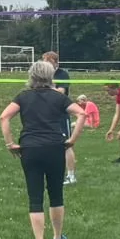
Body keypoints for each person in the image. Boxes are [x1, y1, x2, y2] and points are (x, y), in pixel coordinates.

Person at [0, 60, 87, 239]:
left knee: (35, 196)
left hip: (30, 149)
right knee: (56, 194)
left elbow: (4, 117)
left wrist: (10, 143)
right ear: (50, 77)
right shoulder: (58, 97)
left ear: (31, 76)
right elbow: (82, 114)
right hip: (55, 148)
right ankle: (57, 238)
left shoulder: (23, 97)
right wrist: (72, 139)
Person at [45, 50, 78, 186]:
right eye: (45, 62)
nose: (46, 64)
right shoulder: (45, 75)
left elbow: (61, 92)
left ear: (56, 62)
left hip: (61, 113)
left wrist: (45, 88)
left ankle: (71, 176)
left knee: (66, 145)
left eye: (49, 61)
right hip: (48, 114)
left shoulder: (62, 74)